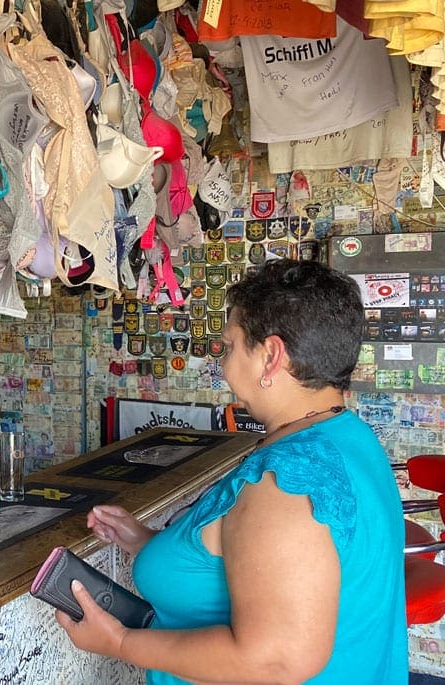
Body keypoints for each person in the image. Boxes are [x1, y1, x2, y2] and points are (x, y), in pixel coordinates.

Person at [58, 259, 406, 683]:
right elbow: (261, 561)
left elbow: (272, 659)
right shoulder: (347, 433)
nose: (224, 364)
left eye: (230, 346)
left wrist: (119, 642)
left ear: (271, 357)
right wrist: (149, 542)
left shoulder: (285, 485)